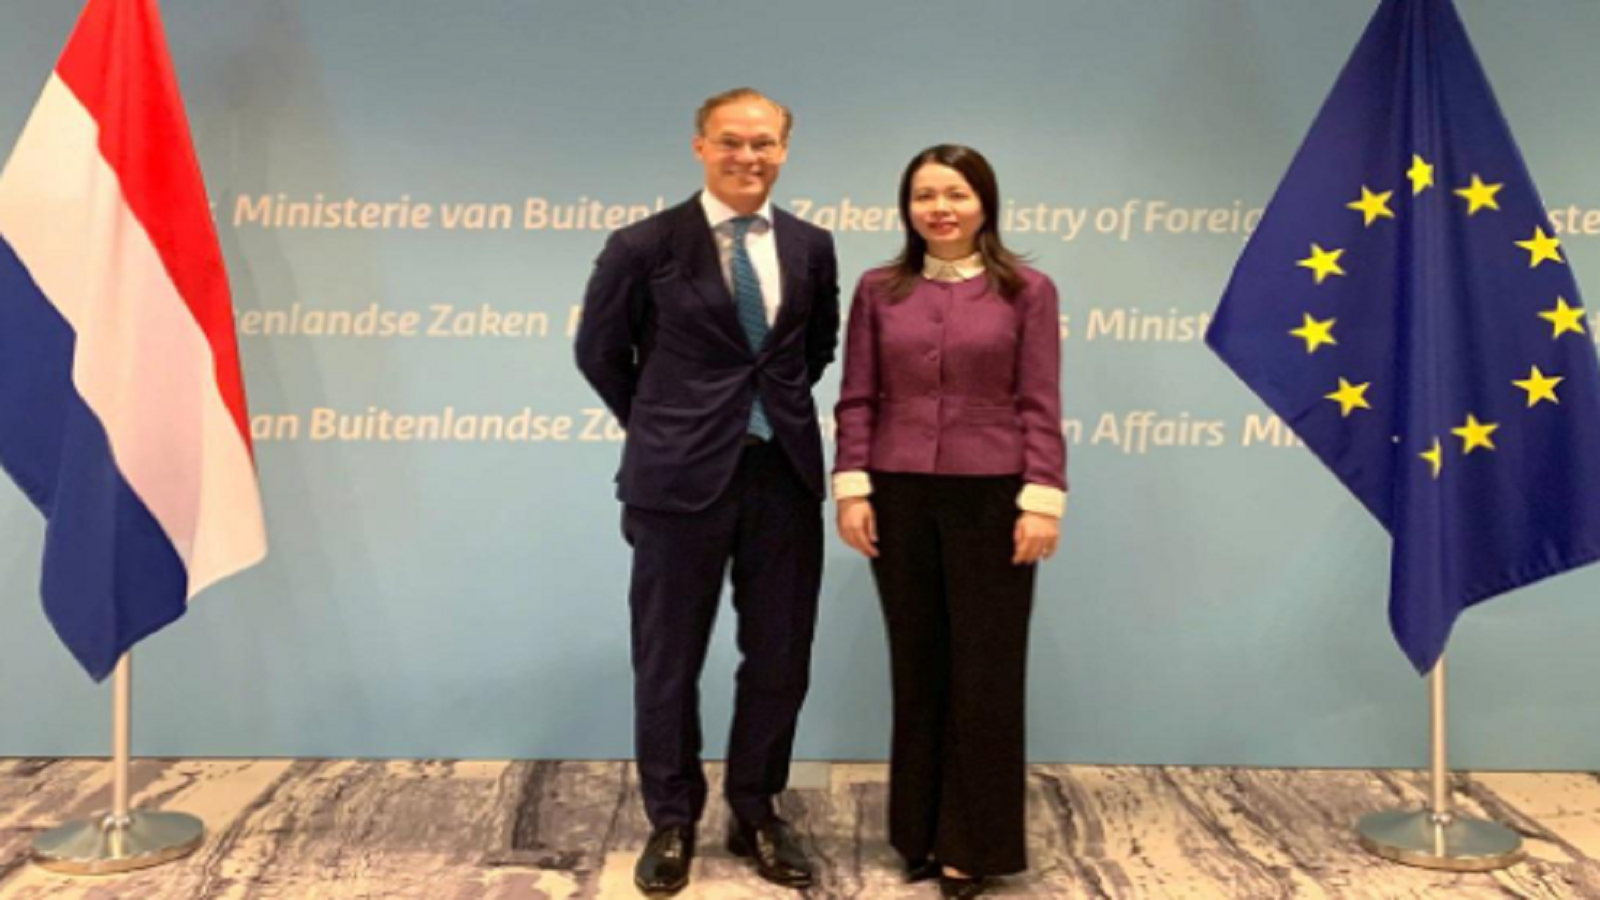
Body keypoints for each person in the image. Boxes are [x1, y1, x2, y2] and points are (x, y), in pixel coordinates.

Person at [575, 87, 840, 896]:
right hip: (675, 483)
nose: (747, 157)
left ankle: (756, 809)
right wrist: (664, 424)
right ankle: (671, 819)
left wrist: (760, 418)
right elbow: (599, 353)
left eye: (763, 143)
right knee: (668, 660)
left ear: (784, 150)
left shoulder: (811, 246)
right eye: (730, 141)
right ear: (700, 147)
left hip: (782, 479)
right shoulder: (643, 244)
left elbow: (813, 352)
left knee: (780, 658)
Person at [832, 144, 1066, 899]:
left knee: (986, 672)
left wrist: (1042, 497)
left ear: (984, 203)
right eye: (926, 195)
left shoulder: (1027, 290)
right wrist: (852, 489)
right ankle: (920, 833)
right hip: (897, 495)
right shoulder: (879, 290)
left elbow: (1039, 400)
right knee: (918, 664)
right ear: (907, 208)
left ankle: (976, 843)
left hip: (993, 497)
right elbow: (857, 396)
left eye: (956, 194)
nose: (941, 208)